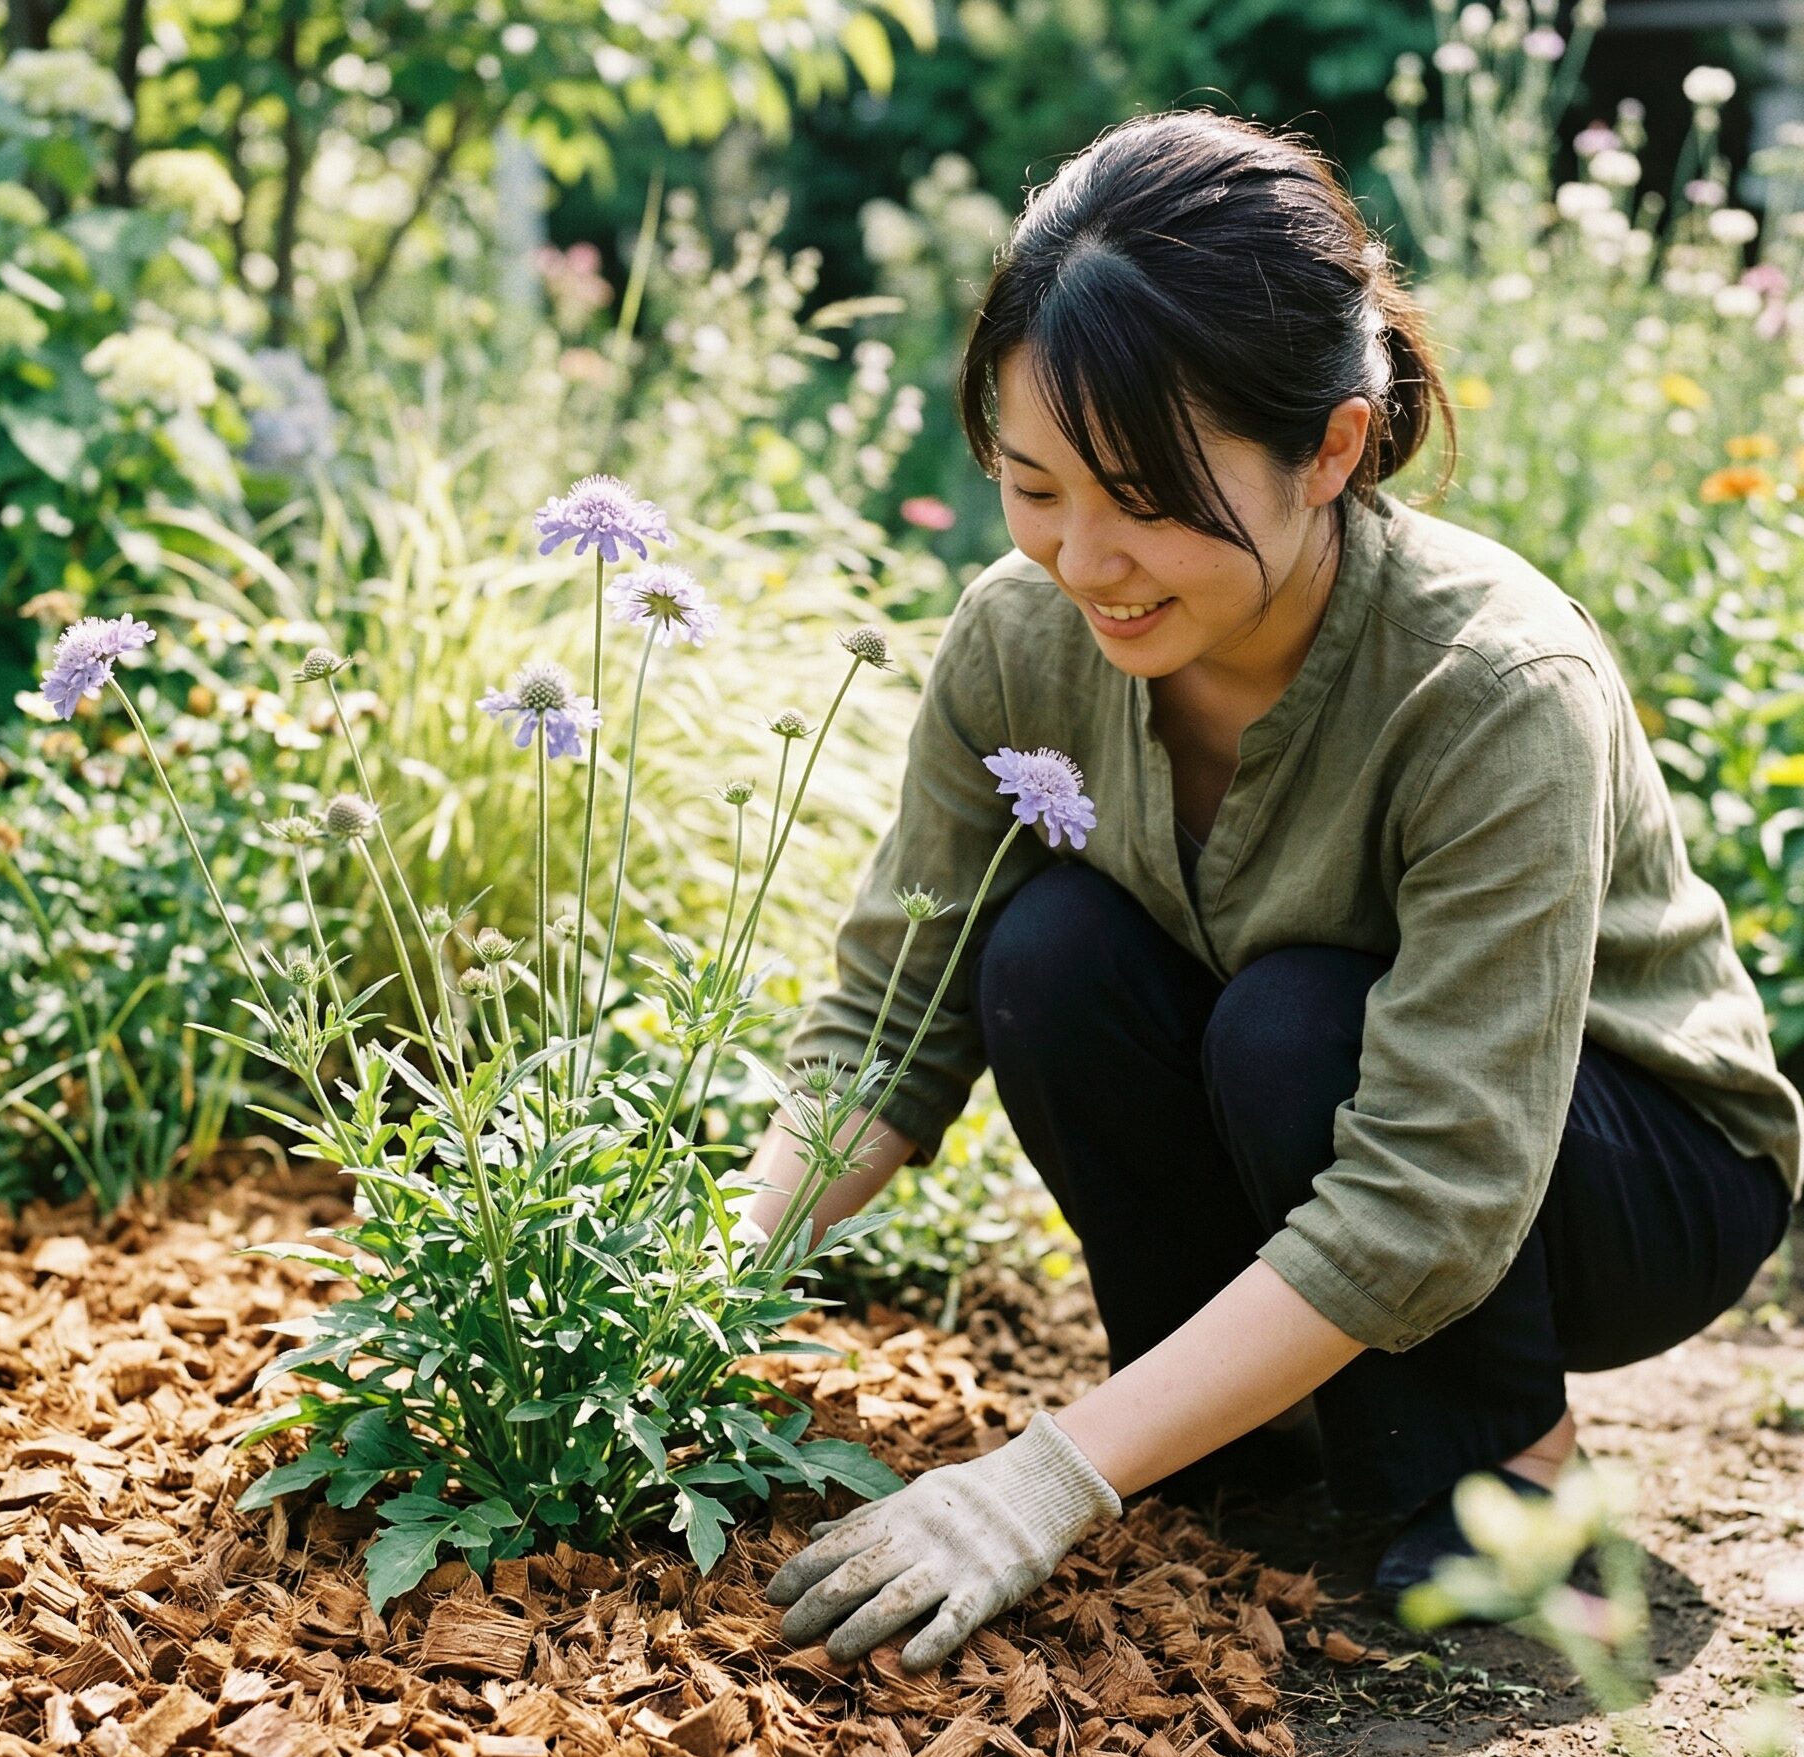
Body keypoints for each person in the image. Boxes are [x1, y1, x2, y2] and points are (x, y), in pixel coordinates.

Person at [747, 109, 1803, 1675]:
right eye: (1034, 487)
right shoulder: (1019, 642)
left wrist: (1041, 1482)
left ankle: (1505, 1466)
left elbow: (1437, 1183)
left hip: (1620, 1165)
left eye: (1149, 497)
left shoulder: (1491, 679)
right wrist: (698, 1297)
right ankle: (1222, 1439)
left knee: (1299, 1020)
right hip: (1325, 1089)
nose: (1086, 558)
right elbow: (891, 1020)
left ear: (1333, 447)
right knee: (1044, 953)